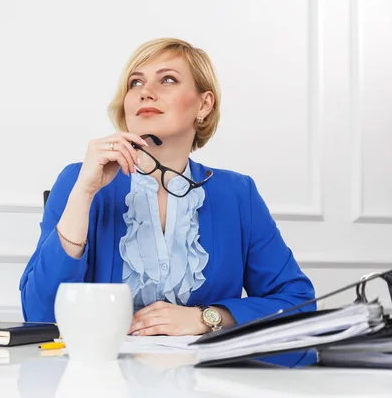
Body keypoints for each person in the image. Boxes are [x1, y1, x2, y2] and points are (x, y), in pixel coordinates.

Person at [18, 38, 316, 366]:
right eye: (136, 83)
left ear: (204, 105)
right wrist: (84, 192)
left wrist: (207, 317)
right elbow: (40, 316)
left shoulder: (237, 193)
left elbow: (298, 303)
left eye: (168, 79)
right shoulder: (78, 180)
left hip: (205, 382)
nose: (146, 91)